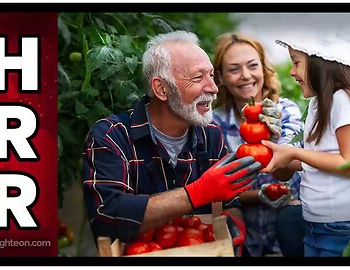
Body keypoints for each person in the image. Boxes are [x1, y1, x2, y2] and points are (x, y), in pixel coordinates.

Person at [81, 30, 262, 256]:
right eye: (198, 78)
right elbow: (106, 217)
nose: (214, 88)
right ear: (162, 89)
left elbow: (229, 202)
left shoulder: (211, 133)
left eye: (212, 76)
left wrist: (233, 226)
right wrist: (196, 193)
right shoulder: (112, 136)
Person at [260, 31, 350, 257]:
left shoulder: (345, 99)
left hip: (342, 228)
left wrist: (294, 153)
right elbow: (322, 158)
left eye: (296, 62)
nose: (291, 72)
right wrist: (286, 157)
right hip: (318, 225)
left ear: (322, 63)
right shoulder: (318, 104)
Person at [212, 32, 305, 257]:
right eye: (234, 69)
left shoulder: (286, 110)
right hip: (244, 241)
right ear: (221, 77)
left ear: (263, 69)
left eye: (253, 66)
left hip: (289, 234)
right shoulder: (214, 124)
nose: (245, 75)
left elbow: (292, 167)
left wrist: (273, 138)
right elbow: (215, 190)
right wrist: (259, 195)